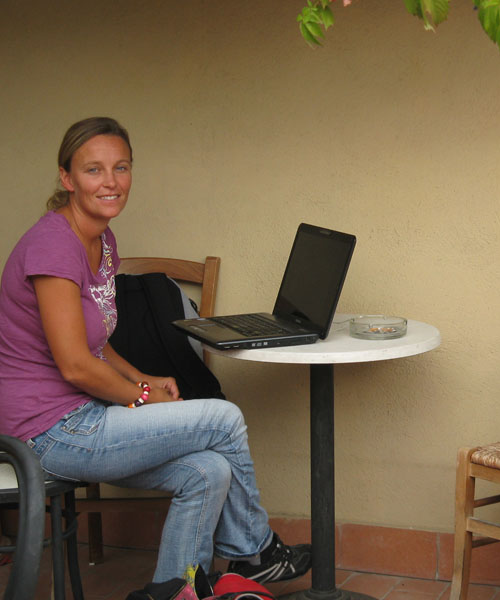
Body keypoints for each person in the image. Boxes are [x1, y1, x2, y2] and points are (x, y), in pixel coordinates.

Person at [0, 117, 311, 584]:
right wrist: (142, 397)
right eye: (93, 169)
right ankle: (255, 552)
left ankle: (175, 590)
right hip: (48, 431)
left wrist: (142, 379)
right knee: (224, 419)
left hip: (84, 415)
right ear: (67, 178)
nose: (110, 182)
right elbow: (75, 365)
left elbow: (95, 341)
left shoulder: (102, 241)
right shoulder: (52, 245)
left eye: (121, 167)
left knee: (208, 471)